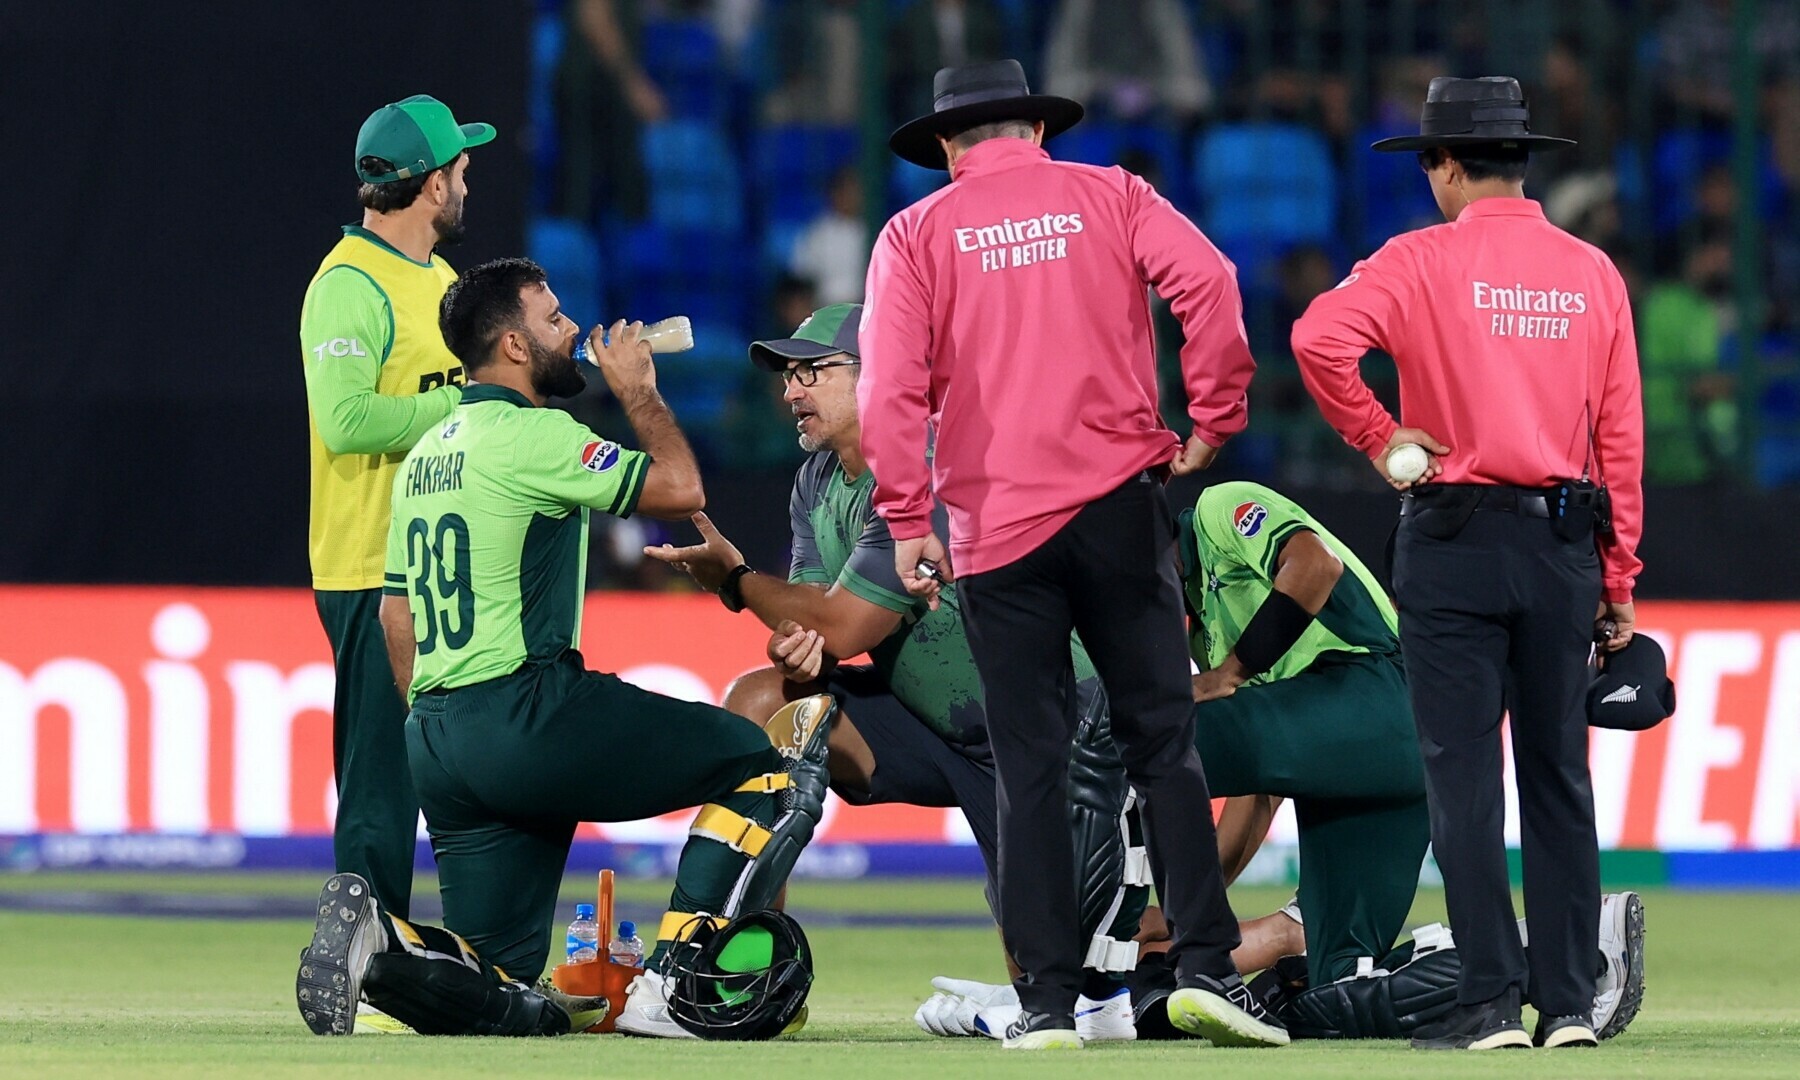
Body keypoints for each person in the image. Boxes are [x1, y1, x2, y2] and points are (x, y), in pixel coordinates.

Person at [295, 257, 835, 1038]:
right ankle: (669, 987)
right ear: (514, 346)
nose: (574, 330)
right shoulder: (535, 434)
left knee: (510, 990)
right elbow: (682, 490)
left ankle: (385, 948)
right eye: (553, 319)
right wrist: (639, 390)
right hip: (526, 710)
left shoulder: (426, 454)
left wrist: (441, 723)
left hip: (439, 739)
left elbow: (394, 615)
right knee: (760, 765)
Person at [859, 59, 1281, 1050]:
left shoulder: (916, 233)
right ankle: (1208, 970)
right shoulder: (1111, 193)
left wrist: (906, 515)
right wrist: (1215, 418)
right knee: (1162, 746)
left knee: (1032, 765)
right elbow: (1212, 284)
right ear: (1035, 132)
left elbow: (888, 388)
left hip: (999, 528)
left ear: (947, 147)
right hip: (1121, 508)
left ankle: (1046, 1001)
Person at [918, 482, 1646, 1044]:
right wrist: (1183, 920)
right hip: (1391, 759)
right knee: (1338, 991)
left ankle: (1081, 980)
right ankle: (1566, 955)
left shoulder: (1220, 511)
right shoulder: (1191, 618)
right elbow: (1254, 798)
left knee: (1118, 727)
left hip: (1378, 696)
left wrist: (1230, 671)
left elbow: (1313, 565)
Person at [641, 303, 1150, 1041]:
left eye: (813, 372)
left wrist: (735, 581)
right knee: (763, 701)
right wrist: (798, 644)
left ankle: (1253, 949)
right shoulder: (817, 480)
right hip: (931, 724)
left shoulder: (927, 463)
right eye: (789, 376)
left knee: (1085, 980)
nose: (792, 392)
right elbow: (819, 617)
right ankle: (732, 973)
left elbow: (845, 623)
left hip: (1048, 732)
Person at [1291, 76, 1645, 1051]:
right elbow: (1619, 438)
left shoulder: (1416, 261)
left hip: (1451, 537)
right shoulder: (1591, 271)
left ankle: (1489, 1000)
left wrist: (1381, 439)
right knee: (1558, 779)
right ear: (1521, 164)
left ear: (1445, 165)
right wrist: (1617, 581)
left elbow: (1317, 339)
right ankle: (1569, 1004)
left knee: (1463, 778)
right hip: (1562, 539)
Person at [301, 94, 494, 919]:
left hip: (443, 562)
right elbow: (345, 424)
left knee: (456, 770)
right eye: (458, 167)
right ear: (429, 184)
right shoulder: (347, 285)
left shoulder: (443, 281)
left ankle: (466, 954)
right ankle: (366, 962)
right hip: (369, 564)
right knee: (383, 784)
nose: (468, 178)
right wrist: (460, 406)